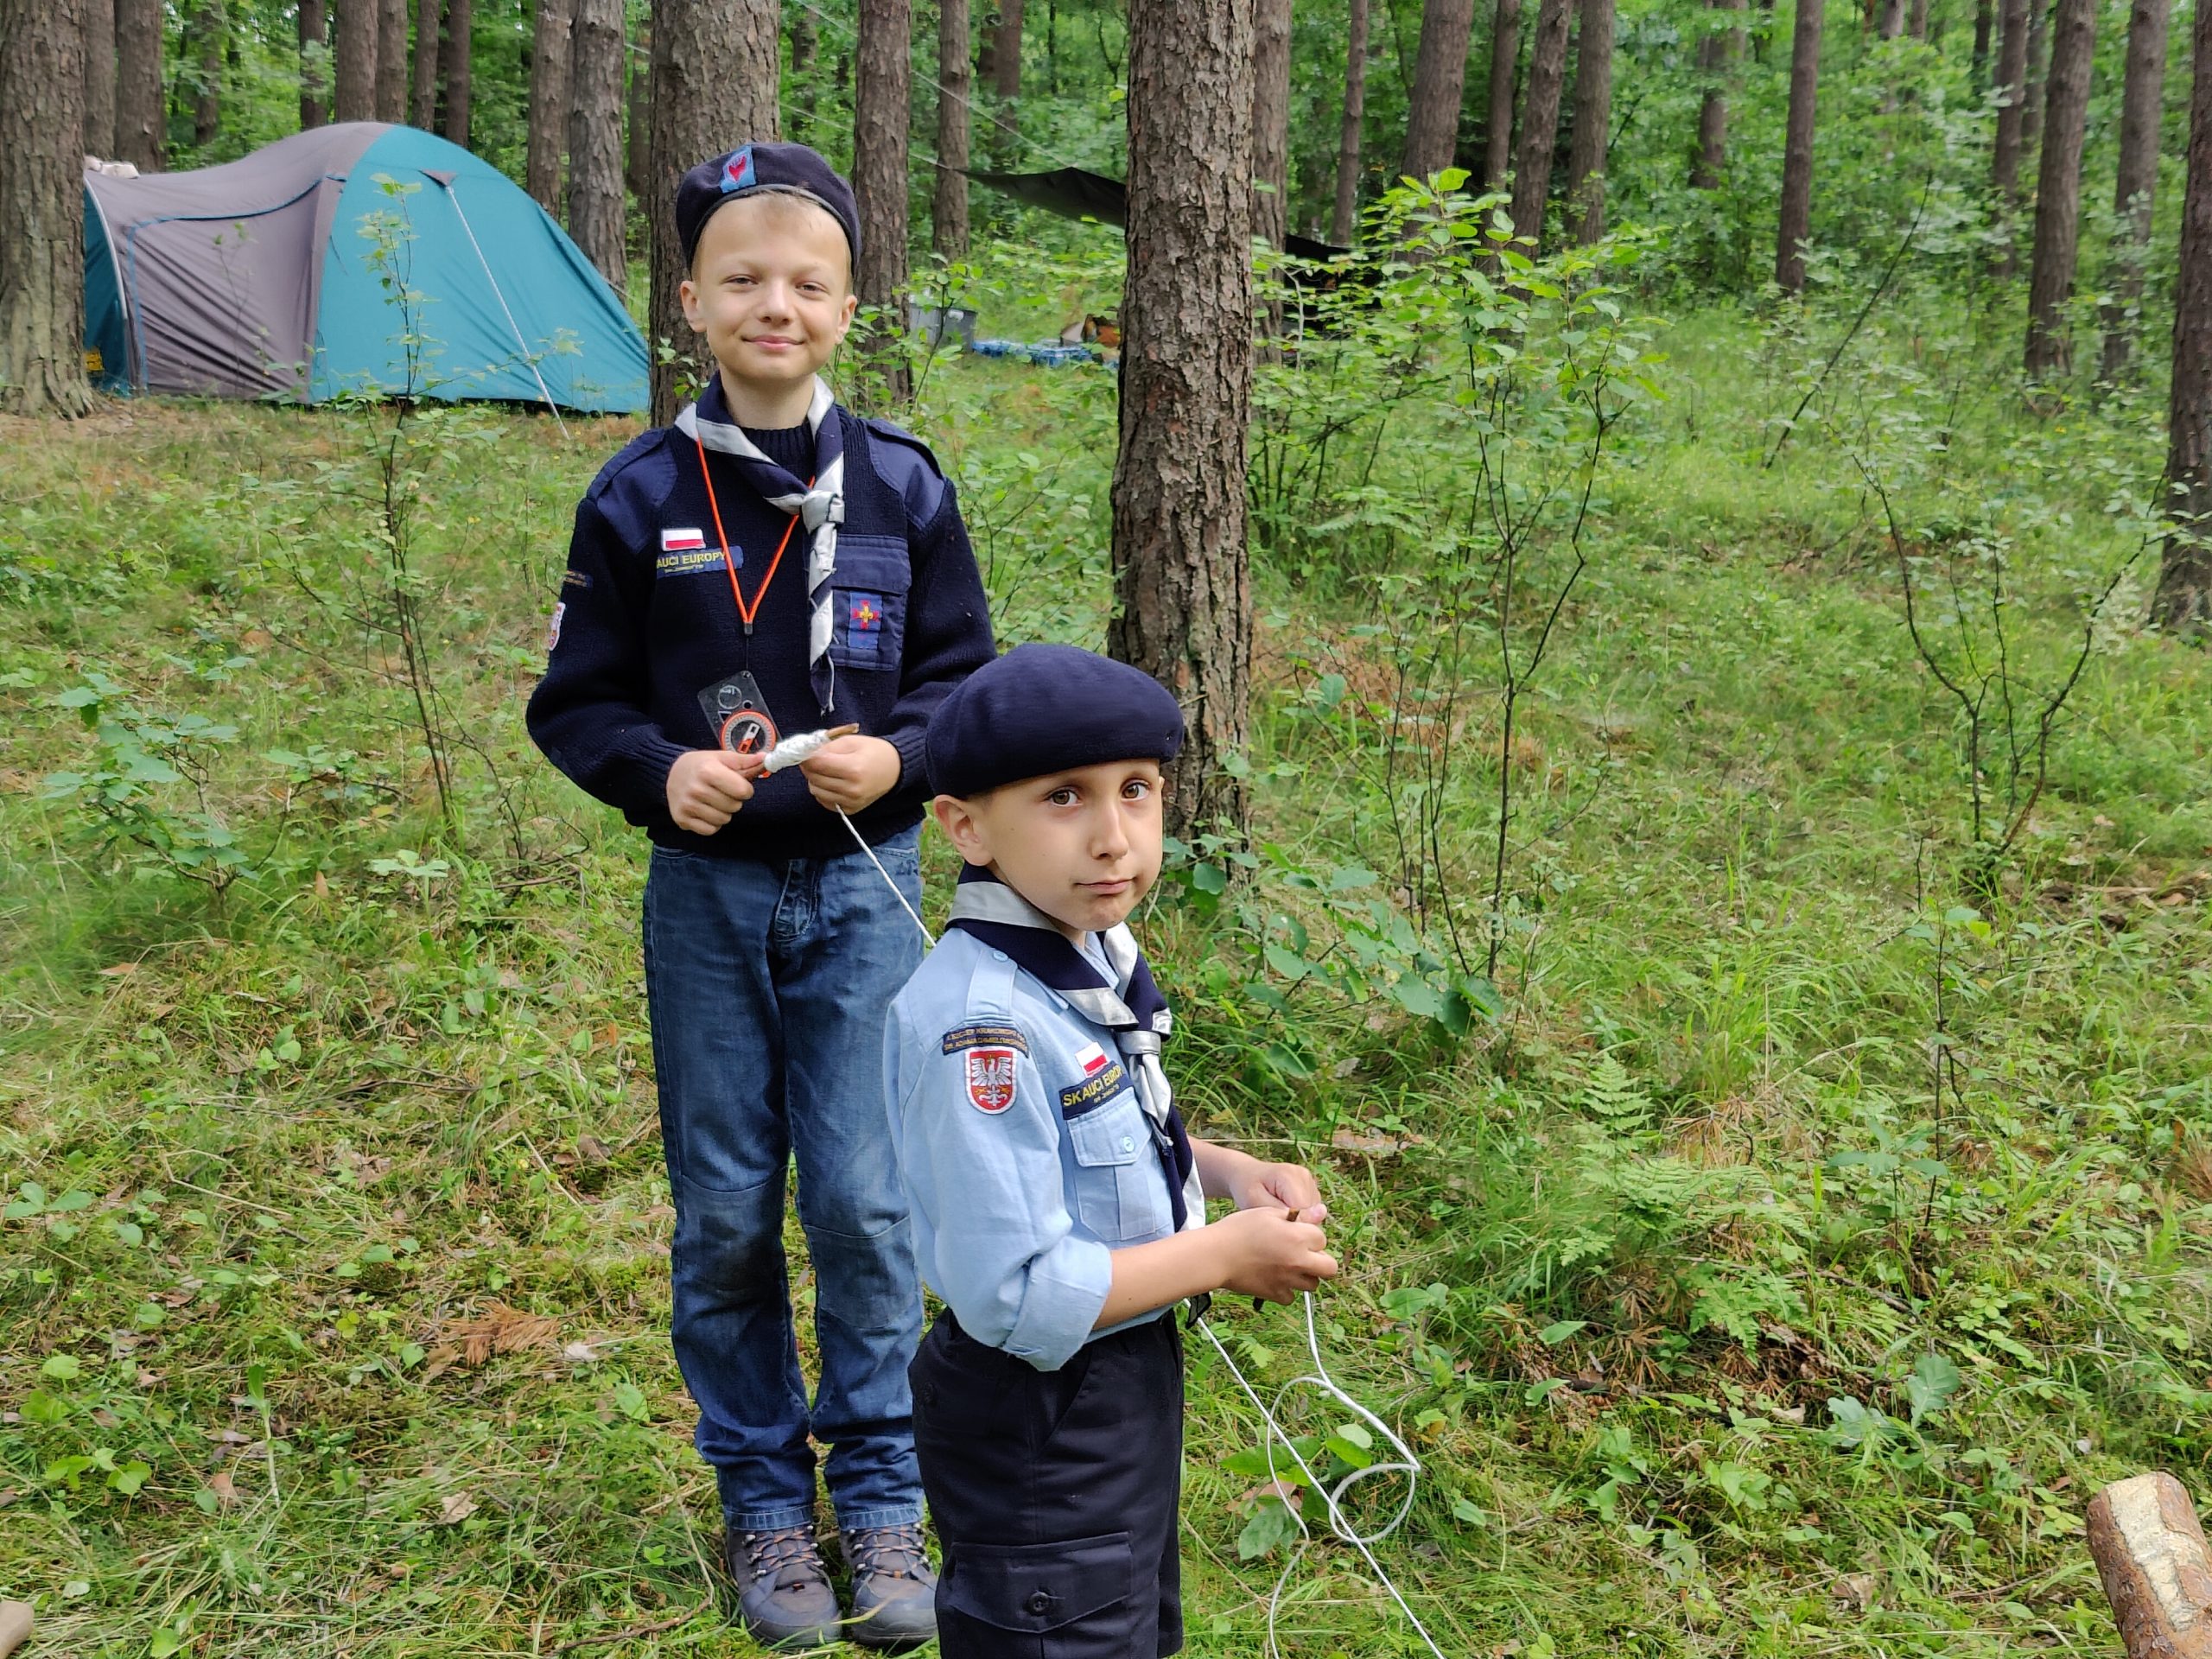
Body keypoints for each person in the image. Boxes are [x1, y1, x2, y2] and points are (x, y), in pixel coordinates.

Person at [526, 140, 995, 1651]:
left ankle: (882, 1490)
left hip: (865, 892)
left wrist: (903, 759)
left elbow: (964, 685)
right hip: (708, 904)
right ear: (691, 303)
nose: (773, 305)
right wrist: (657, 773)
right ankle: (763, 1497)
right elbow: (575, 702)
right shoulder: (637, 494)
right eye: (741, 280)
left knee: (864, 1195)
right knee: (726, 1205)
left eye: (805, 282)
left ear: (849, 305)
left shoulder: (904, 486)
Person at [884, 644, 1340, 1658]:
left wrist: (1225, 1173)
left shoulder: (1080, 949)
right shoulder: (985, 1027)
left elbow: (1096, 1131)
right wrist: (1222, 1254)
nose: (1112, 837)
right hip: (1038, 1408)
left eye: (1136, 790)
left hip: (1122, 1369)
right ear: (965, 826)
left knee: (1122, 1629)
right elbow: (1017, 1293)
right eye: (1062, 797)